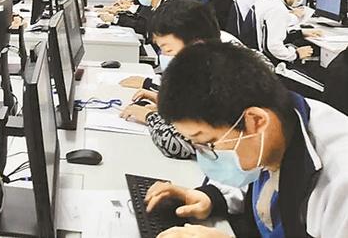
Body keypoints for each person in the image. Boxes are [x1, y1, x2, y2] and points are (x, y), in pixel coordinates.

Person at [148, 42, 348, 238]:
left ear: (256, 120)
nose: (205, 153)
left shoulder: (340, 179)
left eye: (208, 142)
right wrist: (210, 197)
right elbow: (253, 175)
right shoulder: (275, 119)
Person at [119, 0, 241, 160]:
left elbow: (178, 143)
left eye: (168, 50)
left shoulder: (223, 72)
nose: (165, 56)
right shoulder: (215, 53)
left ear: (196, 44)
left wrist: (149, 117)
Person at [253, 0, 321, 66]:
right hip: (264, 64)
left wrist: (300, 33)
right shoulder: (278, 9)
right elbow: (274, 47)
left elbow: (270, 33)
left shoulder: (267, 0)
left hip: (254, 57)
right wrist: (296, 54)